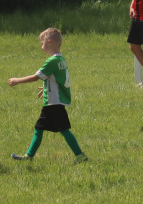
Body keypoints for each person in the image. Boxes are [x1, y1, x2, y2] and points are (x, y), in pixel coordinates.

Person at [7, 28, 88, 163]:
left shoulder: (51, 61)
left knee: (53, 129)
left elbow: (35, 77)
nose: (41, 46)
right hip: (56, 101)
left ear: (49, 42)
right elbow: (56, 78)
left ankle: (79, 156)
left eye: (42, 43)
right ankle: (30, 156)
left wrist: (17, 80)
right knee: (48, 129)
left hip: (53, 103)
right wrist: (45, 88)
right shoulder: (61, 59)